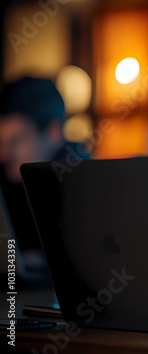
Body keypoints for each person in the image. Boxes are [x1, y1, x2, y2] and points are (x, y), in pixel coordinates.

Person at [0, 76, 89, 270]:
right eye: (1, 142)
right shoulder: (8, 179)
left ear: (53, 132)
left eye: (17, 140)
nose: (4, 155)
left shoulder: (84, 185)